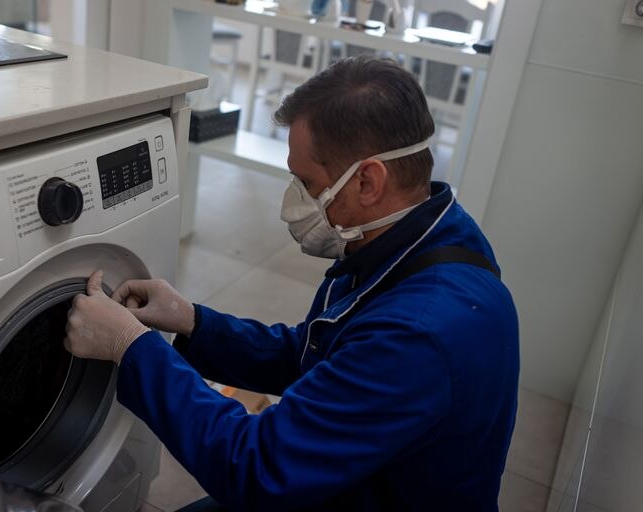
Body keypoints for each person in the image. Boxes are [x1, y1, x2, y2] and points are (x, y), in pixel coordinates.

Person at [64, 56, 519, 511]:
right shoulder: (425, 237)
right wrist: (194, 322)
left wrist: (132, 348)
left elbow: (257, 469)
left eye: (307, 182)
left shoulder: (417, 335)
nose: (293, 202)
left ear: (368, 181)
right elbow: (316, 357)